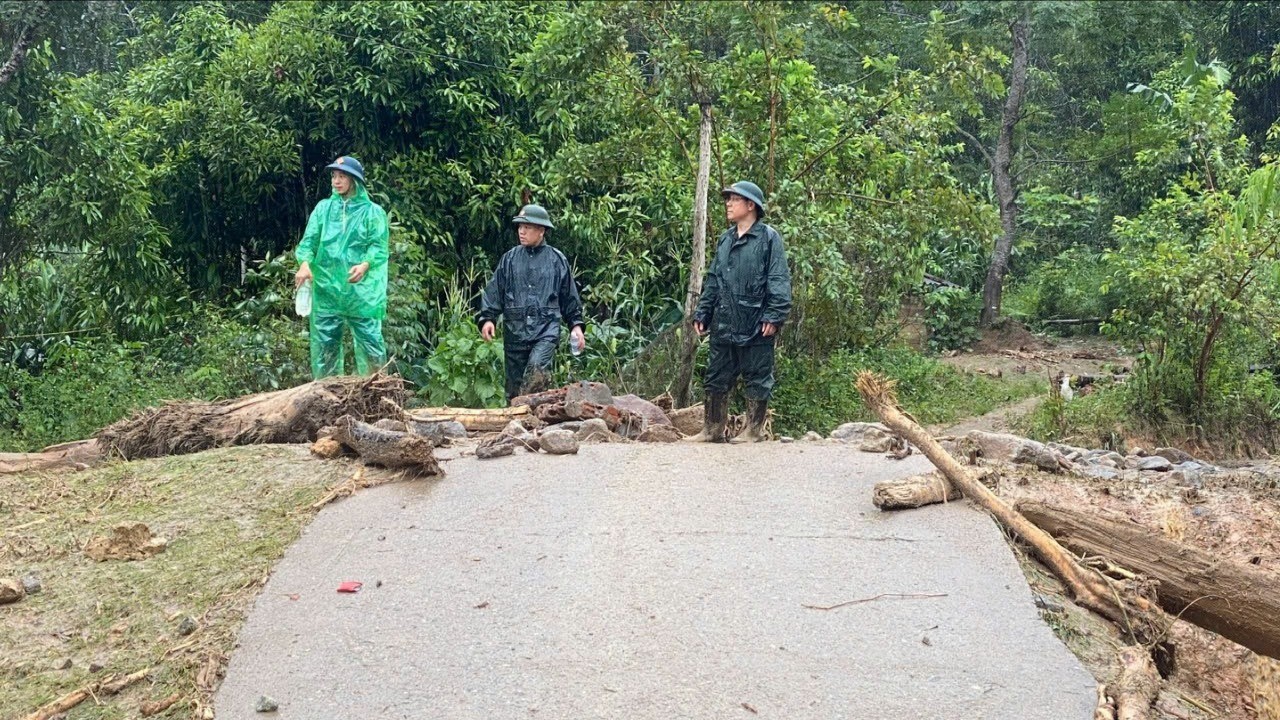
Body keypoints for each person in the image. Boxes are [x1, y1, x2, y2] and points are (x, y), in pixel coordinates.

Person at [686, 180, 792, 443]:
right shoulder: (726, 239)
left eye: (734, 199)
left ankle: (753, 430)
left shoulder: (769, 238)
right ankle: (712, 428)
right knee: (716, 375)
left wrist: (774, 314)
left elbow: (778, 278)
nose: (728, 204)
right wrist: (703, 311)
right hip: (724, 321)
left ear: (751, 205)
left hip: (756, 321)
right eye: (728, 199)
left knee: (757, 376)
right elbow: (714, 278)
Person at [477, 204, 586, 404]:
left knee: (537, 371)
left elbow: (569, 297)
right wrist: (488, 319)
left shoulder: (557, 260)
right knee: (514, 387)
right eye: (520, 226)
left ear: (542, 230)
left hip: (546, 329)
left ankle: (539, 420)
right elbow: (494, 291)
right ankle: (517, 428)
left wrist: (576, 326)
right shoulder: (509, 259)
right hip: (515, 330)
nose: (522, 231)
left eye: (527, 227)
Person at [294, 155, 390, 379]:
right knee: (325, 348)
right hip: (327, 290)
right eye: (334, 176)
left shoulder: (372, 213)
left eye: (342, 177)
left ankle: (377, 396)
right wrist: (305, 265)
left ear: (355, 180)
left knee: (371, 345)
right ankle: (325, 401)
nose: (336, 181)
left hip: (361, 293)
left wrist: (365, 265)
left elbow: (378, 246)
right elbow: (308, 243)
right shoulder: (323, 210)